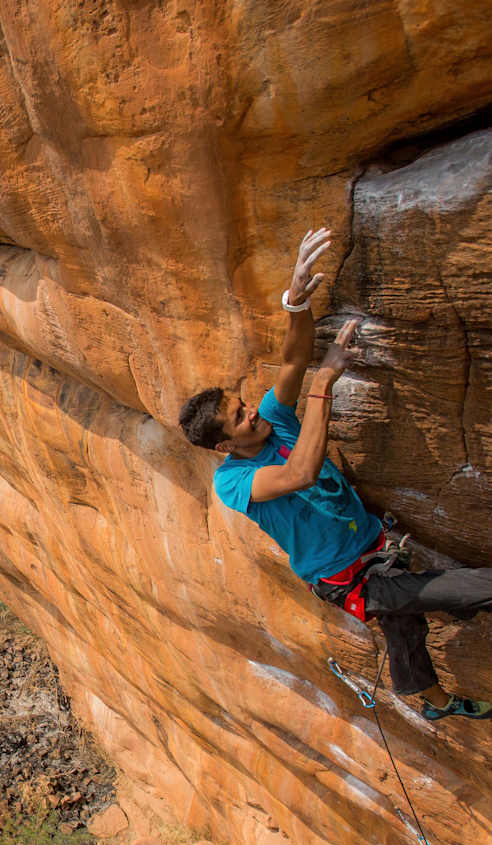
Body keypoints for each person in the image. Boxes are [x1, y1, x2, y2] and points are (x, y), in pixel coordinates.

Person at [178, 227, 492, 722]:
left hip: (372, 544)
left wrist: (296, 301)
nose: (251, 415)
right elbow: (301, 473)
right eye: (240, 419)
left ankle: (436, 704)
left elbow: (293, 359)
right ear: (223, 446)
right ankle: (436, 695)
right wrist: (324, 382)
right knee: (467, 589)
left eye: (243, 405)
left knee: (406, 627)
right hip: (349, 580)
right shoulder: (233, 482)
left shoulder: (273, 421)